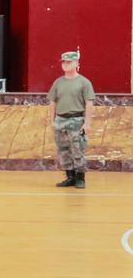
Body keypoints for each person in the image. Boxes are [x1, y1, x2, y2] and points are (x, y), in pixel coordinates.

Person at [49, 50, 94, 188]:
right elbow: (52, 102)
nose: (65, 64)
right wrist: (52, 120)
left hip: (76, 121)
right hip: (60, 121)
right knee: (63, 151)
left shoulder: (84, 82)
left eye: (69, 62)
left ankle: (80, 178)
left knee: (78, 150)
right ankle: (70, 177)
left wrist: (87, 123)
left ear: (76, 63)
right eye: (63, 62)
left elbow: (89, 103)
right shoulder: (58, 82)